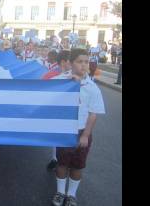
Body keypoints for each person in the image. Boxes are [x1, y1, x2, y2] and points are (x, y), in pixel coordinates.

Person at [51, 48, 105, 206]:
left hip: (82, 132)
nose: (83, 65)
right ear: (70, 63)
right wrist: (68, 84)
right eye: (79, 61)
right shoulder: (60, 81)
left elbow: (93, 114)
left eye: (86, 62)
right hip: (65, 130)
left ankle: (71, 195)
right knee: (62, 163)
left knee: (78, 165)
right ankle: (60, 192)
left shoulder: (92, 87)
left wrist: (85, 135)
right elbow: (46, 95)